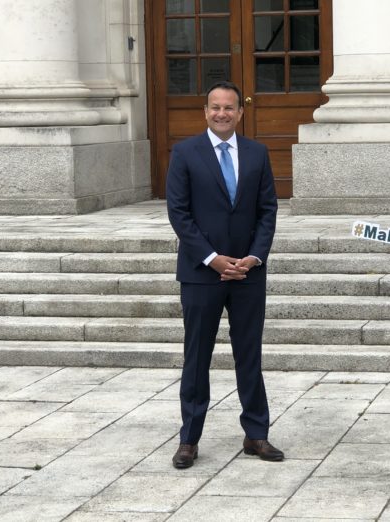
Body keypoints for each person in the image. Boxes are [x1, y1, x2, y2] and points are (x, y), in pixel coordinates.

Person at [166, 80, 283, 469]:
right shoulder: (185, 153)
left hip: (248, 274)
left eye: (229, 107)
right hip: (202, 275)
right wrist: (213, 259)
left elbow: (268, 210)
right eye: (215, 107)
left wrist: (254, 257)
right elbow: (179, 215)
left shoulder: (257, 153)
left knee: (249, 354)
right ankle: (189, 439)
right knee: (196, 357)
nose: (222, 113)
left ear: (240, 112)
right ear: (205, 111)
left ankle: (256, 434)